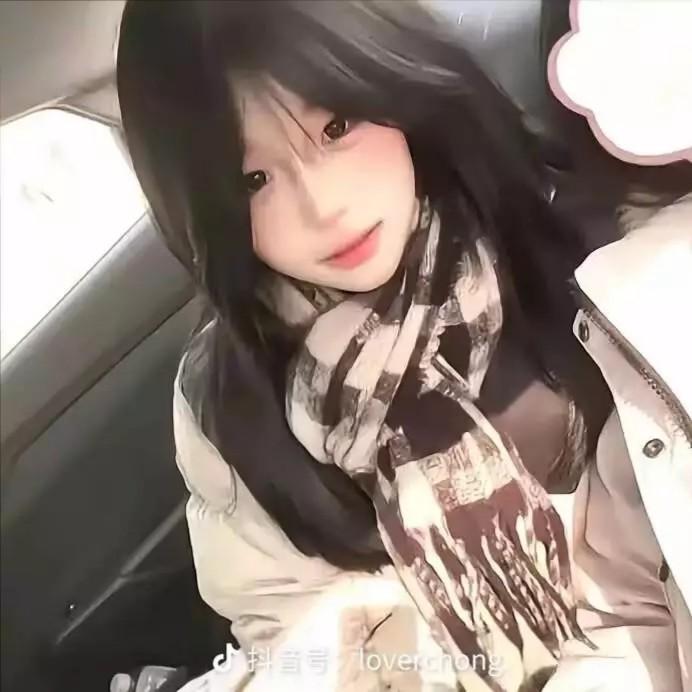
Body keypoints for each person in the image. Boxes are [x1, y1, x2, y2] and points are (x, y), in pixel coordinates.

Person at [115, 1, 692, 690]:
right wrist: (377, 651)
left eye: (337, 126)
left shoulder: (587, 246)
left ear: (390, 81)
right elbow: (287, 632)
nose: (323, 206)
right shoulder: (227, 399)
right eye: (253, 180)